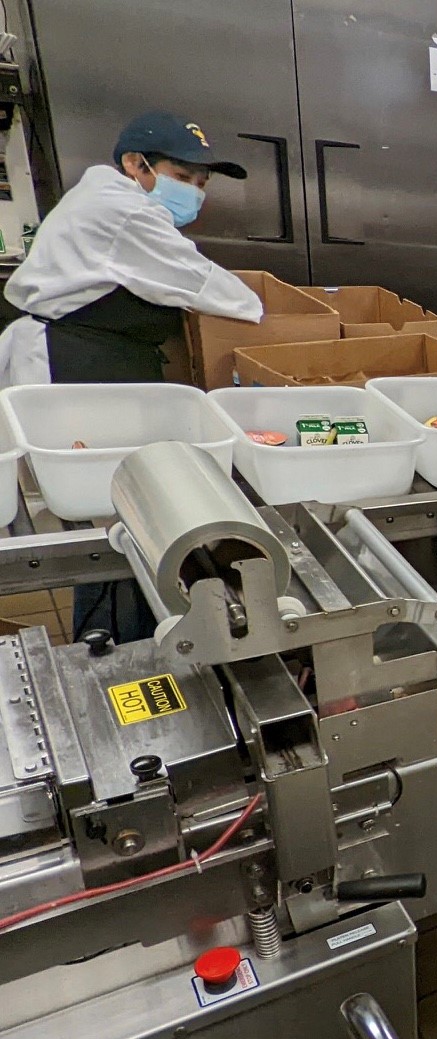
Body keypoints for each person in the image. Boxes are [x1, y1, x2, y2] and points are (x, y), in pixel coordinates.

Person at [0, 111, 262, 643]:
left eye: (200, 184)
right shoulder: (121, 212)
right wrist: (269, 314)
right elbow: (217, 290)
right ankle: (115, 650)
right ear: (134, 165)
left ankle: (132, 634)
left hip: (96, 365)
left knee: (121, 517)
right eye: (182, 177)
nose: (193, 192)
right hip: (77, 366)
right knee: (116, 524)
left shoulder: (110, 204)